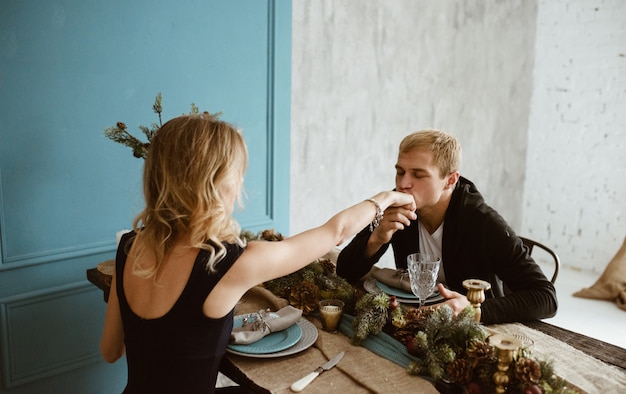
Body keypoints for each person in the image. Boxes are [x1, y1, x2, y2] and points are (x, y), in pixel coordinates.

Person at [100, 113, 415, 394]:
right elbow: (335, 233)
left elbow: (111, 350)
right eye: (237, 175)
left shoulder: (129, 245)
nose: (239, 186)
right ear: (216, 183)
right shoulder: (229, 263)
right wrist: (384, 198)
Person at [336, 129, 557, 325]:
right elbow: (344, 271)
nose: (403, 184)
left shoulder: (483, 222)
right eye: (400, 171)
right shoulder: (399, 205)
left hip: (469, 331)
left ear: (450, 180)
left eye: (418, 174)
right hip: (415, 321)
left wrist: (474, 311)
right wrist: (377, 238)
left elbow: (546, 297)